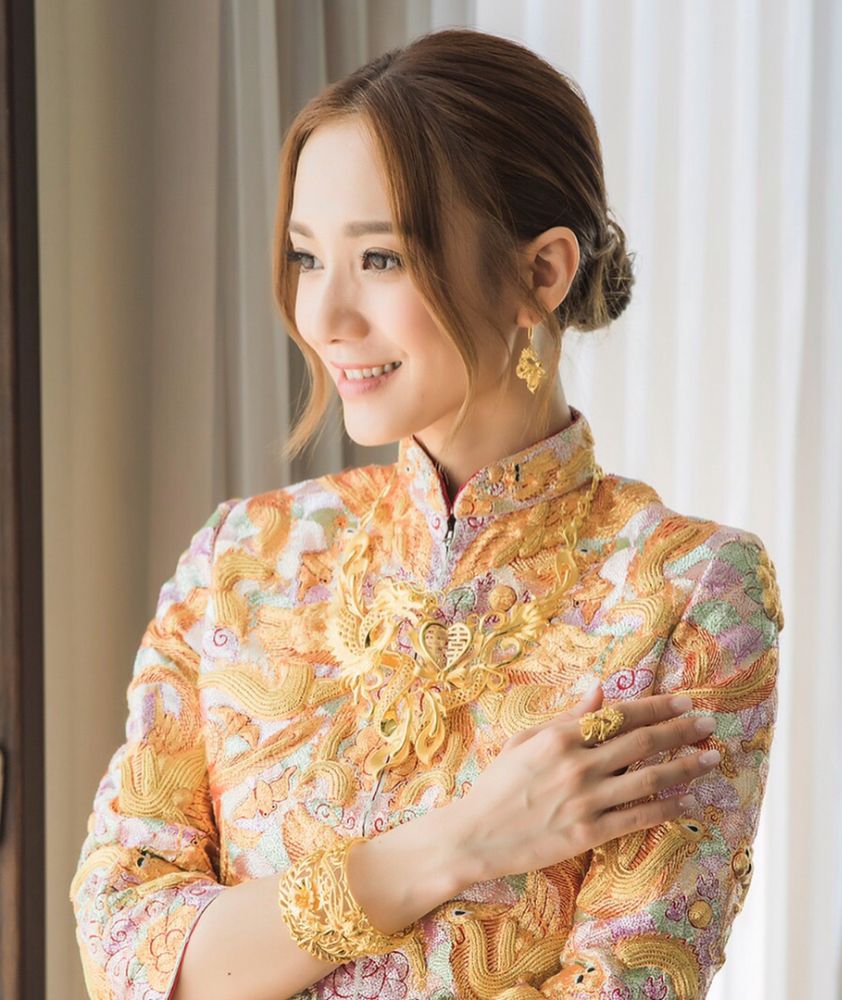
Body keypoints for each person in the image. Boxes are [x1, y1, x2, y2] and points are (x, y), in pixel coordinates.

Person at [68, 26, 783, 1000]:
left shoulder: (689, 596)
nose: (323, 318)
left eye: (380, 258)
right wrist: (455, 844)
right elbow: (125, 955)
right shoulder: (241, 559)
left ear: (541, 273)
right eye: (306, 257)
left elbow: (626, 980)